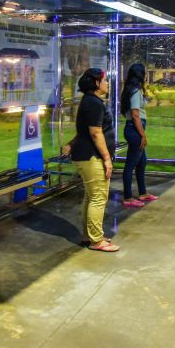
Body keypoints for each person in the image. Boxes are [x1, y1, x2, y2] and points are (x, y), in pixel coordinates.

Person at [61, 68, 119, 252]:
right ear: (96, 83)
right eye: (104, 80)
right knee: (98, 197)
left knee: (91, 196)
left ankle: (90, 235)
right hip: (91, 156)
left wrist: (71, 143)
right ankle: (96, 240)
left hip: (87, 155)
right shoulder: (93, 103)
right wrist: (107, 159)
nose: (107, 83)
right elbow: (95, 133)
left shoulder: (90, 101)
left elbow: (84, 131)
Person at [119, 63, 158, 208]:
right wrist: (143, 135)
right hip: (135, 130)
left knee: (141, 163)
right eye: (145, 73)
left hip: (134, 129)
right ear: (140, 74)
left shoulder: (132, 90)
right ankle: (128, 197)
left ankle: (142, 193)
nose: (146, 75)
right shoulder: (135, 91)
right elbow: (135, 115)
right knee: (131, 164)